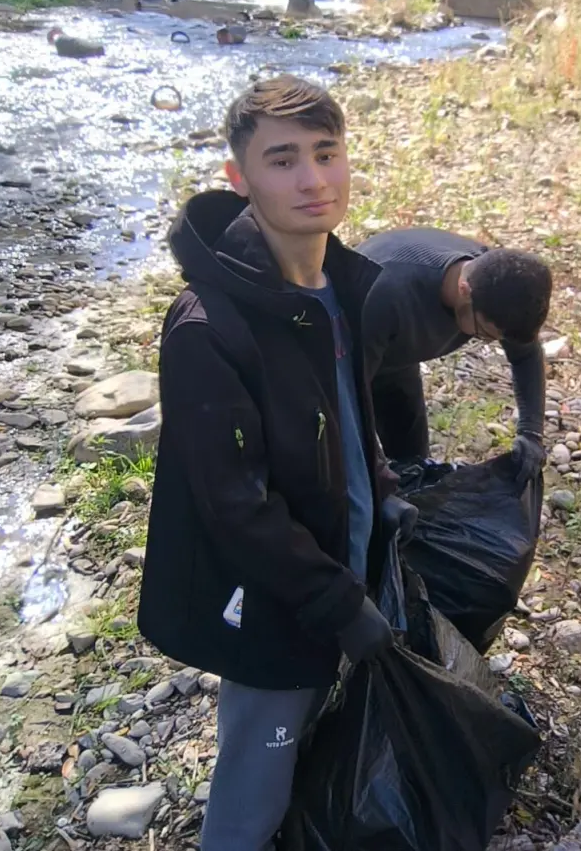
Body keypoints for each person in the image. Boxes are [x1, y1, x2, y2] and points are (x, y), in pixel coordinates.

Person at [138, 75, 409, 851]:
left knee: (321, 748)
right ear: (240, 177)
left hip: (345, 568)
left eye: (326, 152)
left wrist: (384, 492)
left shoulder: (341, 288)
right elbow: (235, 504)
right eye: (283, 160)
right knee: (256, 781)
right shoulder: (209, 326)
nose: (313, 179)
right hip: (273, 602)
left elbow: (346, 420)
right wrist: (336, 601)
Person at [356, 227, 553, 487]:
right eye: (485, 334)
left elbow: (525, 356)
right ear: (464, 290)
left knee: (413, 467)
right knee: (356, 477)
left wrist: (531, 432)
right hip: (335, 360)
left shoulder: (498, 282)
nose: (488, 340)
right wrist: (376, 470)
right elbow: (347, 397)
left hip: (397, 358)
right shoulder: (385, 292)